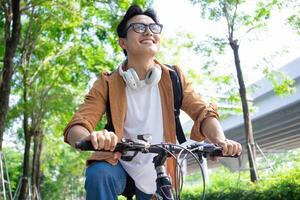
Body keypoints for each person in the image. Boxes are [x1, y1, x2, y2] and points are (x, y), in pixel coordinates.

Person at [63, 5, 242, 200]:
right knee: (99, 174)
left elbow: (202, 112)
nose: (148, 31)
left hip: (162, 167)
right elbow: (77, 125)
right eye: (139, 27)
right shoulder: (107, 83)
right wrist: (91, 138)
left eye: (154, 27)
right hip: (120, 164)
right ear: (123, 42)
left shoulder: (174, 77)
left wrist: (221, 140)